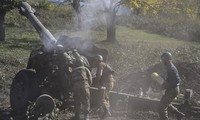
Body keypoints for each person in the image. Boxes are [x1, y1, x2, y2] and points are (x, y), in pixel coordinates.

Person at [158, 52, 185, 120]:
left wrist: (167, 85)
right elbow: (169, 79)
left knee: (161, 107)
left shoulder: (171, 68)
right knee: (165, 103)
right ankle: (179, 114)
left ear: (167, 60)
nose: (162, 62)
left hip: (173, 90)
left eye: (163, 60)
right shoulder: (168, 67)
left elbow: (177, 80)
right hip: (173, 89)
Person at [93, 54, 115, 119]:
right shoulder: (104, 64)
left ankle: (106, 112)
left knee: (101, 98)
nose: (94, 62)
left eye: (95, 60)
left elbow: (99, 75)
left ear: (98, 60)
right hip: (110, 83)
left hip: (106, 83)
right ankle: (107, 113)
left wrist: (97, 82)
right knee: (106, 97)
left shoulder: (100, 65)